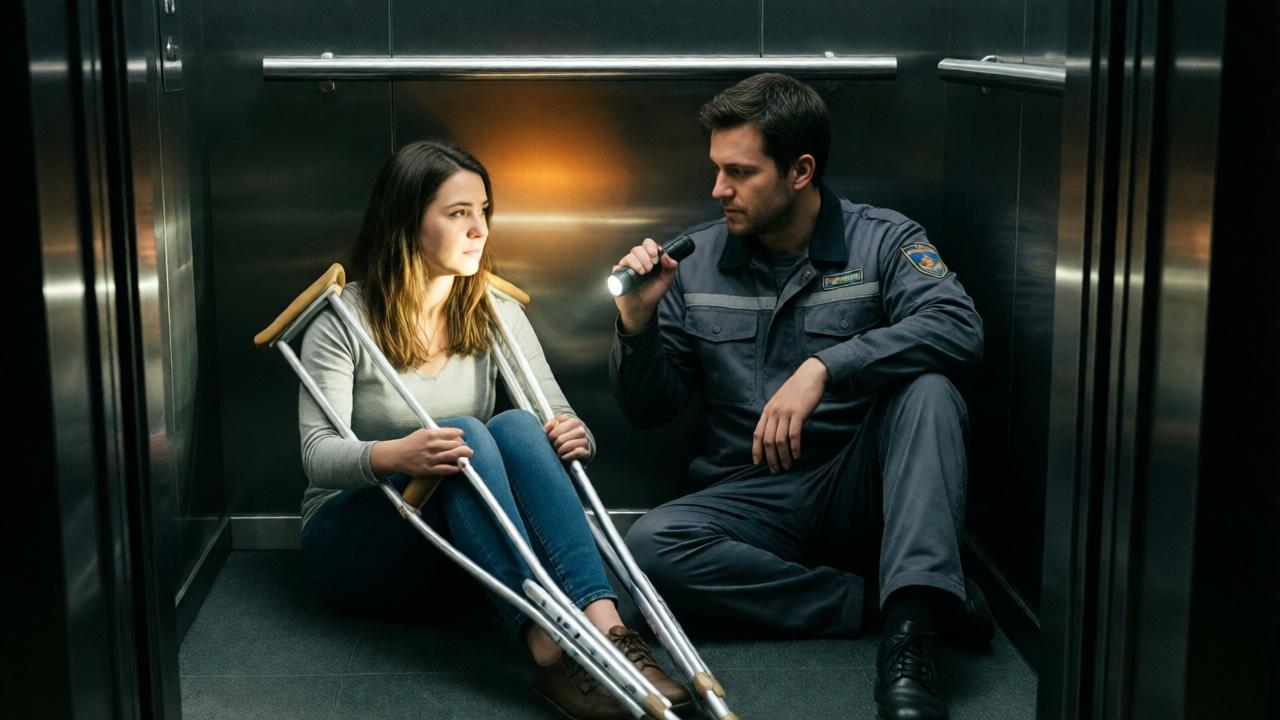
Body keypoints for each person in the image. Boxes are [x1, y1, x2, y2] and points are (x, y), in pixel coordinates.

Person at [610, 74, 993, 720]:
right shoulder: (693, 261)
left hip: (861, 484)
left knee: (929, 392)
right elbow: (651, 411)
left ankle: (910, 641)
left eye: (739, 172)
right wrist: (636, 326)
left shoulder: (884, 242)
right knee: (648, 548)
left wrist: (826, 365)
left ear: (800, 170)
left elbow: (959, 328)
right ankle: (885, 602)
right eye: (715, 170)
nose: (718, 190)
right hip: (750, 497)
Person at [297, 139, 688, 720]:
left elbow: (556, 414)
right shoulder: (343, 319)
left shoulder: (493, 309)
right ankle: (550, 652)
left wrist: (577, 435)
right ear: (407, 222)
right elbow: (317, 455)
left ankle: (607, 628)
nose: (479, 229)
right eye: (458, 214)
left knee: (517, 425)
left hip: (465, 547)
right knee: (465, 434)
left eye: (483, 211)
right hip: (358, 540)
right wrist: (400, 453)